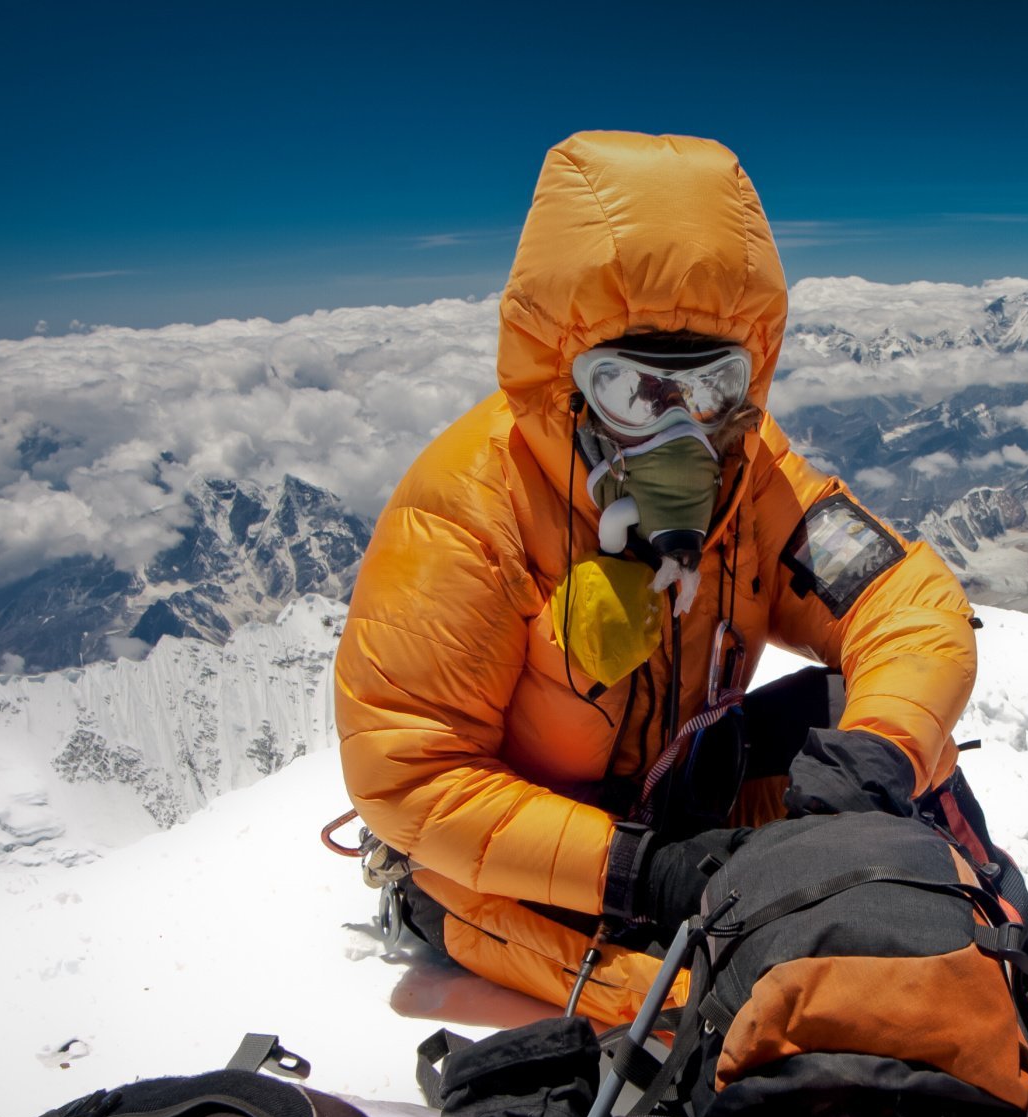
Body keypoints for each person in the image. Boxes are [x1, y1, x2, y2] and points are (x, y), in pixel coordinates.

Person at [333, 131, 977, 1025]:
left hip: (677, 798)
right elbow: (409, 774)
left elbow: (902, 604)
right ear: (562, 380)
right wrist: (637, 867)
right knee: (711, 997)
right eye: (633, 389)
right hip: (520, 855)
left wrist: (878, 747)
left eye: (712, 385)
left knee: (902, 745)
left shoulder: (754, 477)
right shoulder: (470, 510)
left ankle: (1000, 981)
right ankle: (846, 1027)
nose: (682, 428)